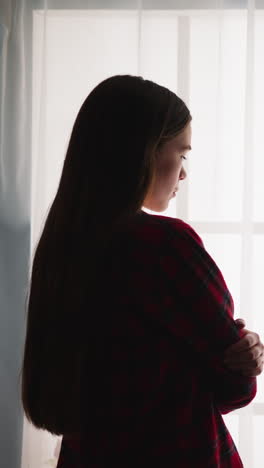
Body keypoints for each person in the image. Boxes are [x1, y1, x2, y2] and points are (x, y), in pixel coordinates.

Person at [21, 75, 264, 467]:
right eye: (181, 154)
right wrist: (247, 355)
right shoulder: (165, 246)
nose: (183, 173)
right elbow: (234, 384)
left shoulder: (63, 251)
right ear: (144, 152)